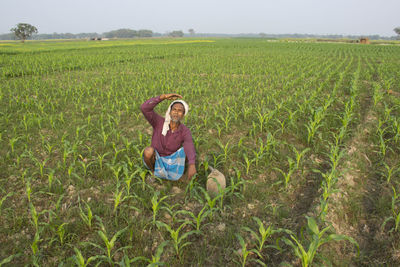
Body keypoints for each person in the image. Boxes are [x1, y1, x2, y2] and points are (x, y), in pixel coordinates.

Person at [140, 93, 197, 181]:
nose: (176, 112)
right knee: (148, 151)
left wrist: (192, 165)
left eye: (180, 110)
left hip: (171, 160)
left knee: (188, 152)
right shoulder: (159, 122)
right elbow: (144, 108)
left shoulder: (184, 131)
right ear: (170, 112)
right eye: (174, 109)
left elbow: (189, 144)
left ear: (183, 114)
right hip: (156, 158)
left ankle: (173, 171)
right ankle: (153, 172)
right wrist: (162, 97)